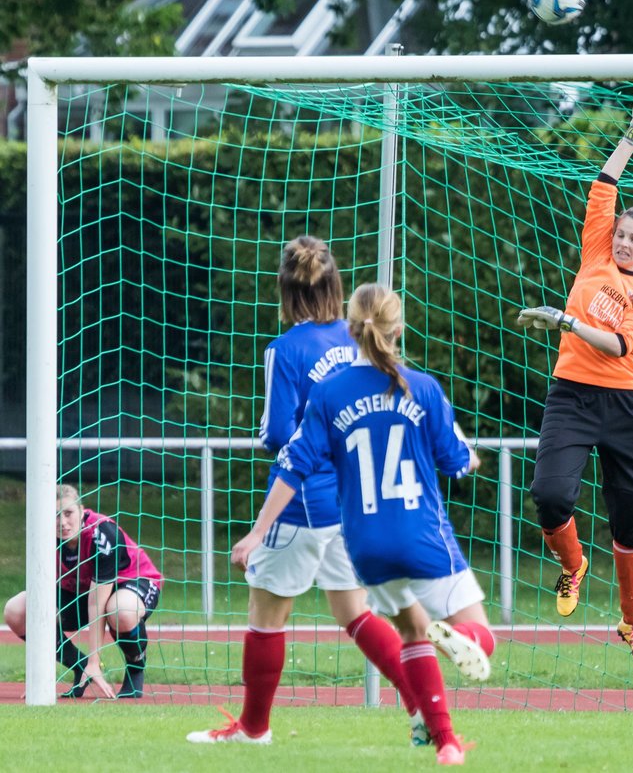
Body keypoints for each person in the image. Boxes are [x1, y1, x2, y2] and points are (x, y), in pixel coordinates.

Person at [232, 282, 491, 766]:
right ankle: (462, 643)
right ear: (399, 328)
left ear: (349, 329)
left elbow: (291, 462)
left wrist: (256, 531)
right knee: (480, 634)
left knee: (410, 633)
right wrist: (470, 458)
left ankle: (447, 742)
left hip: (366, 546)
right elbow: (456, 462)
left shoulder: (328, 393)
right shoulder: (422, 387)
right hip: (421, 536)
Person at [187, 236, 424, 745]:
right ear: (336, 287)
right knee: (352, 612)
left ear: (284, 291)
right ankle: (421, 703)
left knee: (266, 615)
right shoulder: (358, 337)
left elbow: (276, 433)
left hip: (301, 500)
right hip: (353, 498)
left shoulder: (285, 349)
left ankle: (253, 731)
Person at [516, 92, 633, 666]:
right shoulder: (595, 253)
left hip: (625, 404)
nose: (623, 241)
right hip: (571, 396)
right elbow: (604, 189)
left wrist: (566, 319)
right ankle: (572, 566)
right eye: (620, 233)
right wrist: (632, 137)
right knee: (550, 497)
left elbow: (620, 343)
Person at [4, 483, 163, 699]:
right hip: (81, 590)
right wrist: (38, 678)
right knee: (17, 610)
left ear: (81, 510)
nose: (62, 522)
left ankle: (135, 670)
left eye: (68, 513)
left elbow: (97, 603)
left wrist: (95, 661)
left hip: (131, 583)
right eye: (55, 515)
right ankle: (79, 667)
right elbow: (43, 593)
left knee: (120, 610)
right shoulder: (42, 538)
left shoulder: (102, 533)